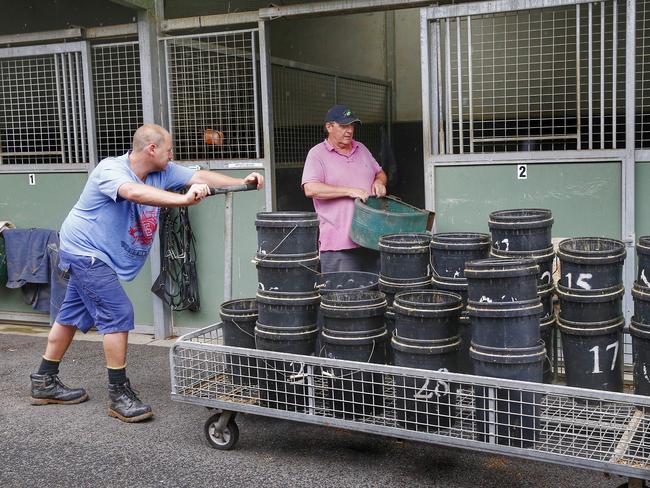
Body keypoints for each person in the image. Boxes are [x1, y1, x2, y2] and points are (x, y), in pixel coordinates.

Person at [29, 124, 264, 423]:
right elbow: (133, 193)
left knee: (71, 314)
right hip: (86, 252)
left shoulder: (162, 172)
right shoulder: (110, 170)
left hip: (101, 254)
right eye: (168, 150)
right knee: (118, 313)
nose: (172, 155)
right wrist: (183, 200)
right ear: (151, 149)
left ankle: (44, 380)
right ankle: (119, 394)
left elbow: (199, 176)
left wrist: (240, 181)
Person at [301, 105, 387, 273]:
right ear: (329, 127)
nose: (349, 131)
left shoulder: (361, 148)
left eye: (352, 126)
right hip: (339, 246)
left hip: (371, 241)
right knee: (342, 296)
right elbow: (310, 188)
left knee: (374, 296)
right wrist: (349, 191)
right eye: (344, 126)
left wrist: (379, 182)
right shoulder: (317, 154)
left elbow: (380, 172)